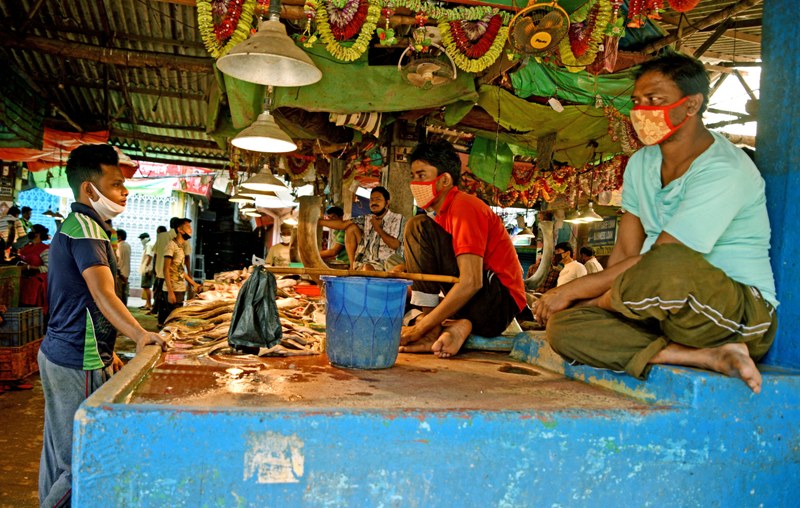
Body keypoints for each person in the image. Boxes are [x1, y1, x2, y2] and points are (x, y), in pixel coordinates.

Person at [535, 53, 777, 394]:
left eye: (654, 99)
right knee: (564, 328)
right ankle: (702, 356)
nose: (641, 111)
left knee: (665, 265)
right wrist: (582, 307)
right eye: (637, 101)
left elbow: (661, 261)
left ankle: (716, 345)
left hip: (734, 313)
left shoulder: (726, 169)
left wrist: (579, 294)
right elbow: (625, 250)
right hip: (660, 311)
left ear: (691, 104)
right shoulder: (641, 163)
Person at [38, 144, 165, 507]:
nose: (125, 192)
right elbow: (102, 293)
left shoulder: (78, 225)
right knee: (82, 459)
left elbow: (84, 297)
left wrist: (111, 352)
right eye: (116, 184)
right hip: (78, 356)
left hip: (60, 351)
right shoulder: (88, 231)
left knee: (59, 453)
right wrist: (140, 334)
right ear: (88, 189)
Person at [399, 140, 526, 358]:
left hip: (497, 306)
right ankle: (455, 326)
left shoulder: (463, 206)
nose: (415, 183)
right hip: (481, 308)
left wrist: (420, 329)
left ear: (445, 180)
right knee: (399, 298)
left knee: (417, 227)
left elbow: (471, 281)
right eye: (413, 176)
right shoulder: (441, 217)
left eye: (421, 175)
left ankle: (432, 327)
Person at [319, 187, 406, 271]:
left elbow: (395, 245)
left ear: (387, 203)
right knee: (350, 228)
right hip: (368, 262)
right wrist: (317, 222)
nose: (374, 202)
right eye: (371, 199)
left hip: (388, 264)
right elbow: (343, 225)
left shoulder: (397, 218)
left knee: (368, 269)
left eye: (378, 199)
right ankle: (352, 266)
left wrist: (377, 228)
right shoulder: (367, 218)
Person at [159, 218, 201, 327]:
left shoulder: (181, 247)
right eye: (188, 227)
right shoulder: (171, 245)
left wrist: (193, 283)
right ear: (180, 230)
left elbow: (180, 271)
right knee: (171, 322)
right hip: (173, 290)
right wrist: (170, 292)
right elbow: (166, 269)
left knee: (176, 321)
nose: (191, 230)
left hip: (180, 289)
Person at [18, 224, 50, 315]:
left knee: (33, 311)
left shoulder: (44, 249)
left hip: (37, 284)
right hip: (24, 283)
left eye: (32, 231)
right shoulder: (26, 247)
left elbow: (48, 267)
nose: (30, 233)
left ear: (38, 234)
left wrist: (29, 267)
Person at [138, 232, 154, 310]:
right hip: (146, 268)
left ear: (145, 238)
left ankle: (149, 304)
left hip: (147, 269)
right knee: (145, 287)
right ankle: (147, 304)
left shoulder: (149, 245)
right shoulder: (147, 245)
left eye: (142, 239)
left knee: (146, 287)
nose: (141, 240)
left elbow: (150, 257)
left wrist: (147, 267)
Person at [115, 229, 131, 306]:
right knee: (124, 293)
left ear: (119, 237)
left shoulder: (118, 246)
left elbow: (117, 259)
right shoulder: (128, 245)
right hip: (126, 271)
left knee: (119, 294)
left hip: (120, 273)